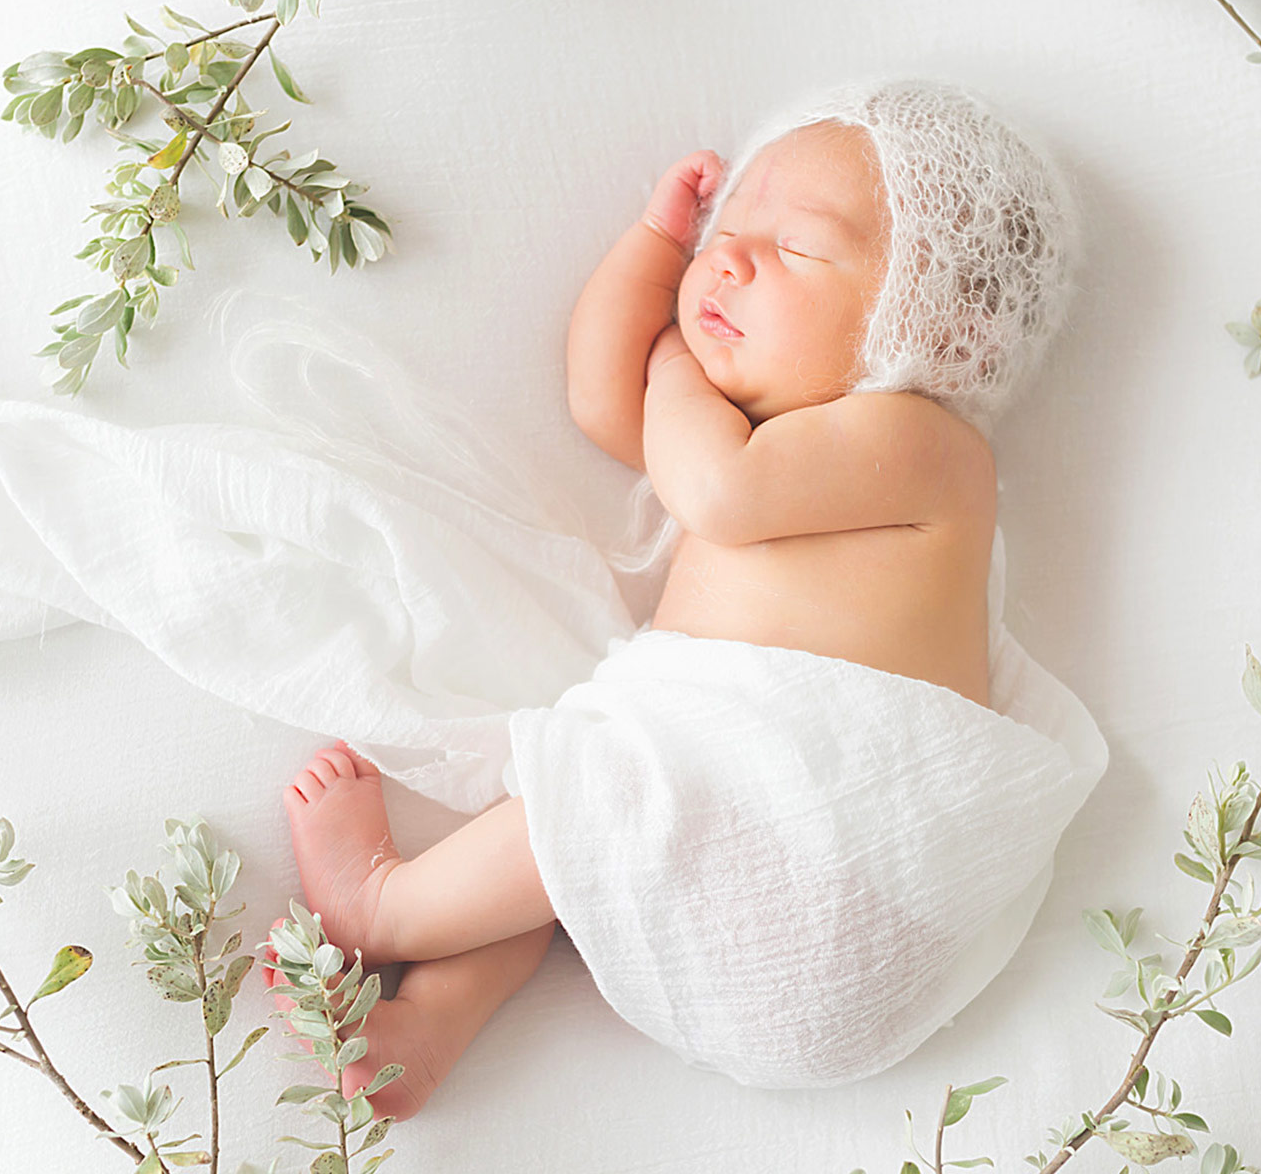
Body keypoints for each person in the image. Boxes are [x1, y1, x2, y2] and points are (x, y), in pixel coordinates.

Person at [263, 78, 1078, 1117]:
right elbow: (601, 401)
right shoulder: (745, 435)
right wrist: (656, 247)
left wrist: (674, 361)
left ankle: (388, 909)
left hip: (840, 868)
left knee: (604, 793)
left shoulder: (926, 443)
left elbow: (718, 492)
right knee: (574, 839)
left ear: (951, 336)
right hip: (727, 877)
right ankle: (432, 1022)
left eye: (797, 250)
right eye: (726, 230)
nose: (729, 258)